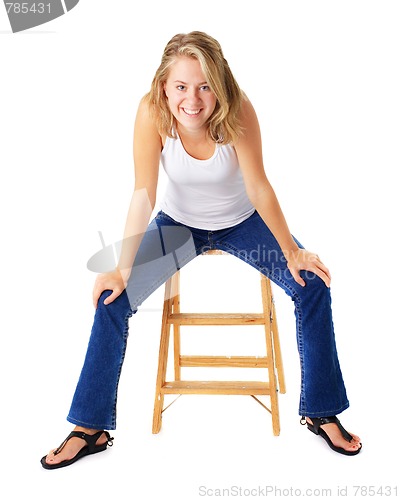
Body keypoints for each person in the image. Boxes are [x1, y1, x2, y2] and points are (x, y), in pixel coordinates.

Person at [41, 31, 361, 469]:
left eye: (205, 85)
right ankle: (89, 427)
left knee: (312, 285)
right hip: (178, 226)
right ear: (164, 87)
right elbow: (142, 193)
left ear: (220, 84)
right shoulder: (151, 113)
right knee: (111, 298)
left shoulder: (239, 109)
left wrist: (292, 252)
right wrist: (121, 268)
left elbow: (258, 186)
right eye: (181, 87)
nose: (192, 99)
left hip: (243, 224)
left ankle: (321, 411)